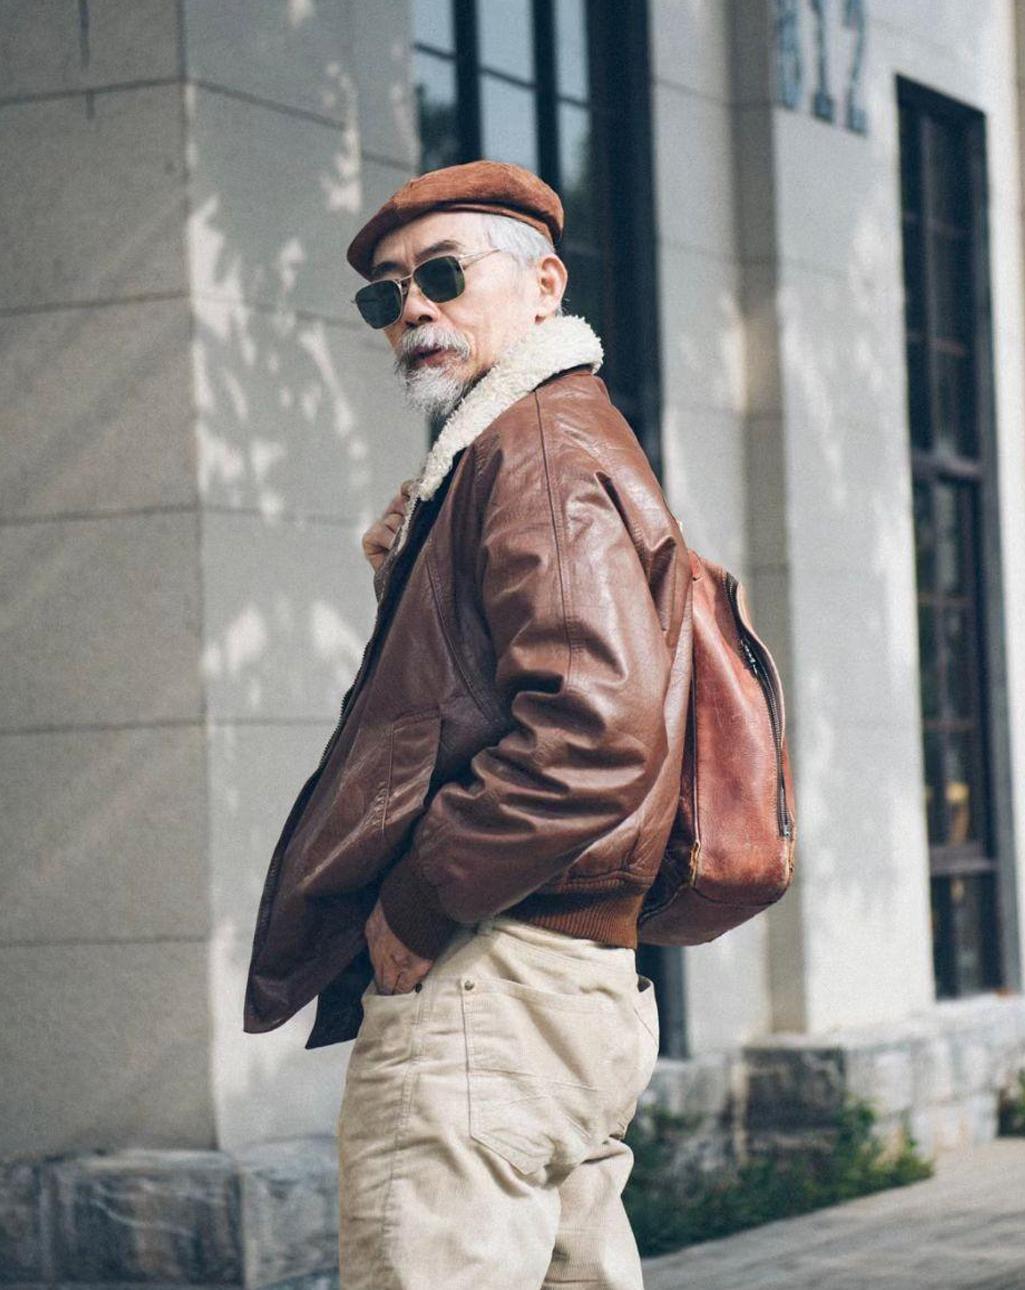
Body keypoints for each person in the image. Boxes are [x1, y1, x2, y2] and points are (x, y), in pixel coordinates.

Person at [242, 159, 692, 1289]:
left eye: (442, 274)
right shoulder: (538, 443)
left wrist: (417, 902)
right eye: (385, 293)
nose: (412, 310)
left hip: (487, 979)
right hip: (559, 981)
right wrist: (407, 582)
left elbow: (592, 728)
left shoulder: (529, 450)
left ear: (544, 285)